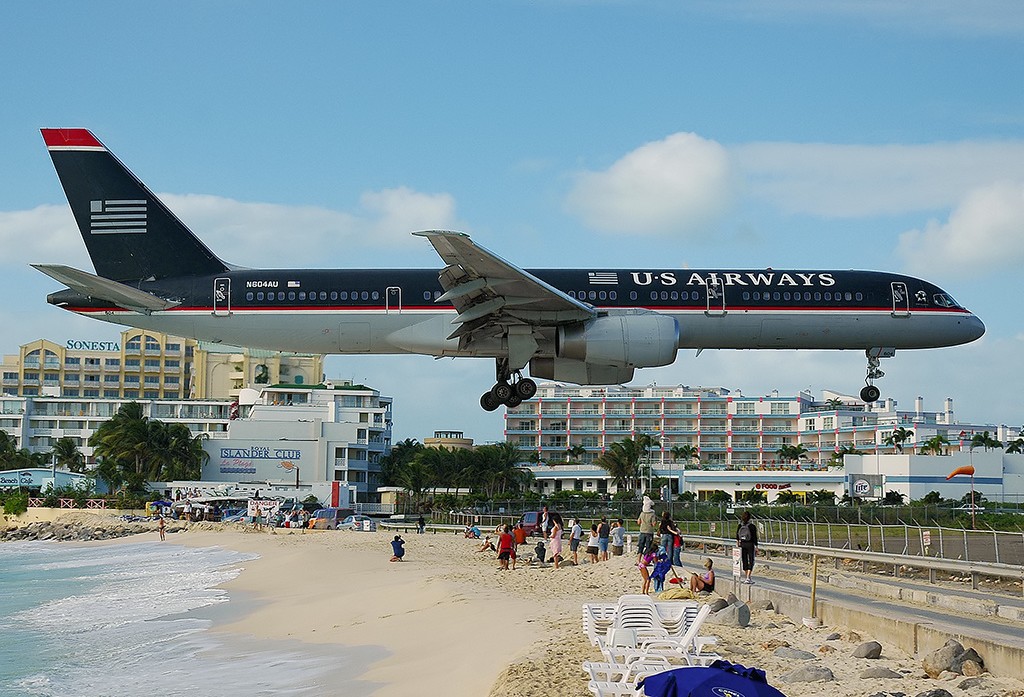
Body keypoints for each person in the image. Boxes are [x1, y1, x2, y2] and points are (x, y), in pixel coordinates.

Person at [736, 510, 758, 584]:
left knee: (744, 560)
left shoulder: (740, 526)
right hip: (750, 544)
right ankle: (748, 577)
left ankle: (747, 577)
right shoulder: (752, 526)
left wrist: (738, 544)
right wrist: (756, 546)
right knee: (751, 560)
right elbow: (754, 537)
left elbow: (737, 536)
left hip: (742, 544)